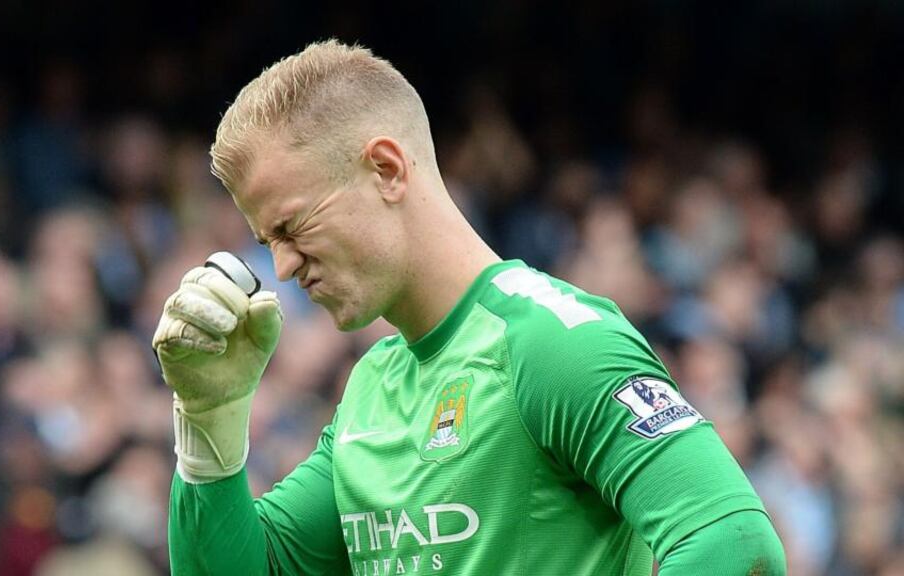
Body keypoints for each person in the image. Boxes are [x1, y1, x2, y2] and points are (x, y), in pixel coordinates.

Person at [153, 40, 786, 575]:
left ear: (386, 168)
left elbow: (734, 542)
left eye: (292, 228)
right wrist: (209, 416)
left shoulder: (554, 342)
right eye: (268, 244)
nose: (284, 268)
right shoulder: (373, 385)